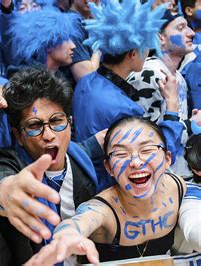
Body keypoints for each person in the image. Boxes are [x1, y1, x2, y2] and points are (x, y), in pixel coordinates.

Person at [25, 117, 188, 265]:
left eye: (146, 150)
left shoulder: (177, 186)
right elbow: (82, 220)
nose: (136, 162)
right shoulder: (103, 209)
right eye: (121, 153)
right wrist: (65, 236)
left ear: (167, 159)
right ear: (109, 167)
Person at [0, 67, 102, 265]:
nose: (48, 135)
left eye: (56, 121)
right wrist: (4, 193)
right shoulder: (7, 163)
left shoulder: (81, 159)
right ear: (18, 136)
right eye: (34, 126)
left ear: (70, 124)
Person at [72, 0, 185, 190]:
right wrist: (172, 105)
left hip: (86, 183)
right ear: (133, 53)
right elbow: (158, 156)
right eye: (147, 46)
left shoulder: (85, 81)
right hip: (110, 192)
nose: (149, 51)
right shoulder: (123, 108)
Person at [128, 9, 196, 177]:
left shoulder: (178, 76)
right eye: (181, 28)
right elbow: (149, 139)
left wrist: (191, 122)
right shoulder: (148, 74)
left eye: (188, 27)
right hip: (155, 175)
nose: (191, 33)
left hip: (179, 171)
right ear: (161, 38)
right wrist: (191, 124)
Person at [8, 7, 79, 73]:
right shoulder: (22, 83)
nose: (73, 46)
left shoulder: (61, 81)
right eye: (65, 40)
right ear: (48, 44)